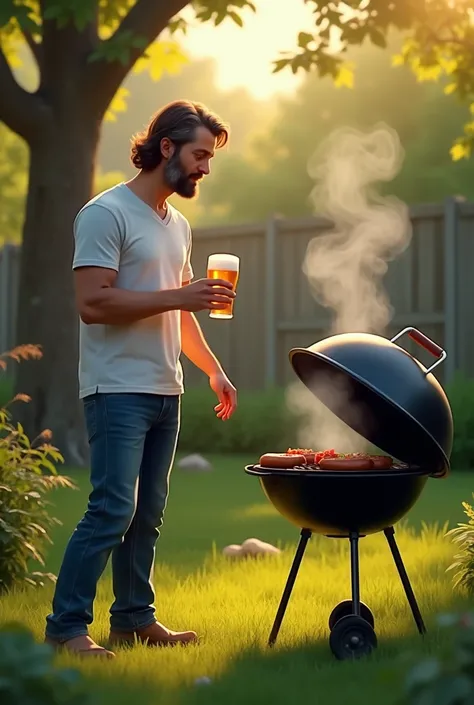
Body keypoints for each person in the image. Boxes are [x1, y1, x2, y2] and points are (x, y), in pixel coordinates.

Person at [44, 100, 238, 658]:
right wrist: (182, 295)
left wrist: (213, 370)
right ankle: (65, 628)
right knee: (111, 509)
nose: (205, 167)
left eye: (210, 157)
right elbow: (93, 303)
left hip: (164, 388)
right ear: (167, 147)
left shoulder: (177, 224)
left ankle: (133, 619)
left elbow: (179, 313)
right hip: (116, 389)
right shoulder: (106, 213)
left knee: (147, 515)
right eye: (200, 154)